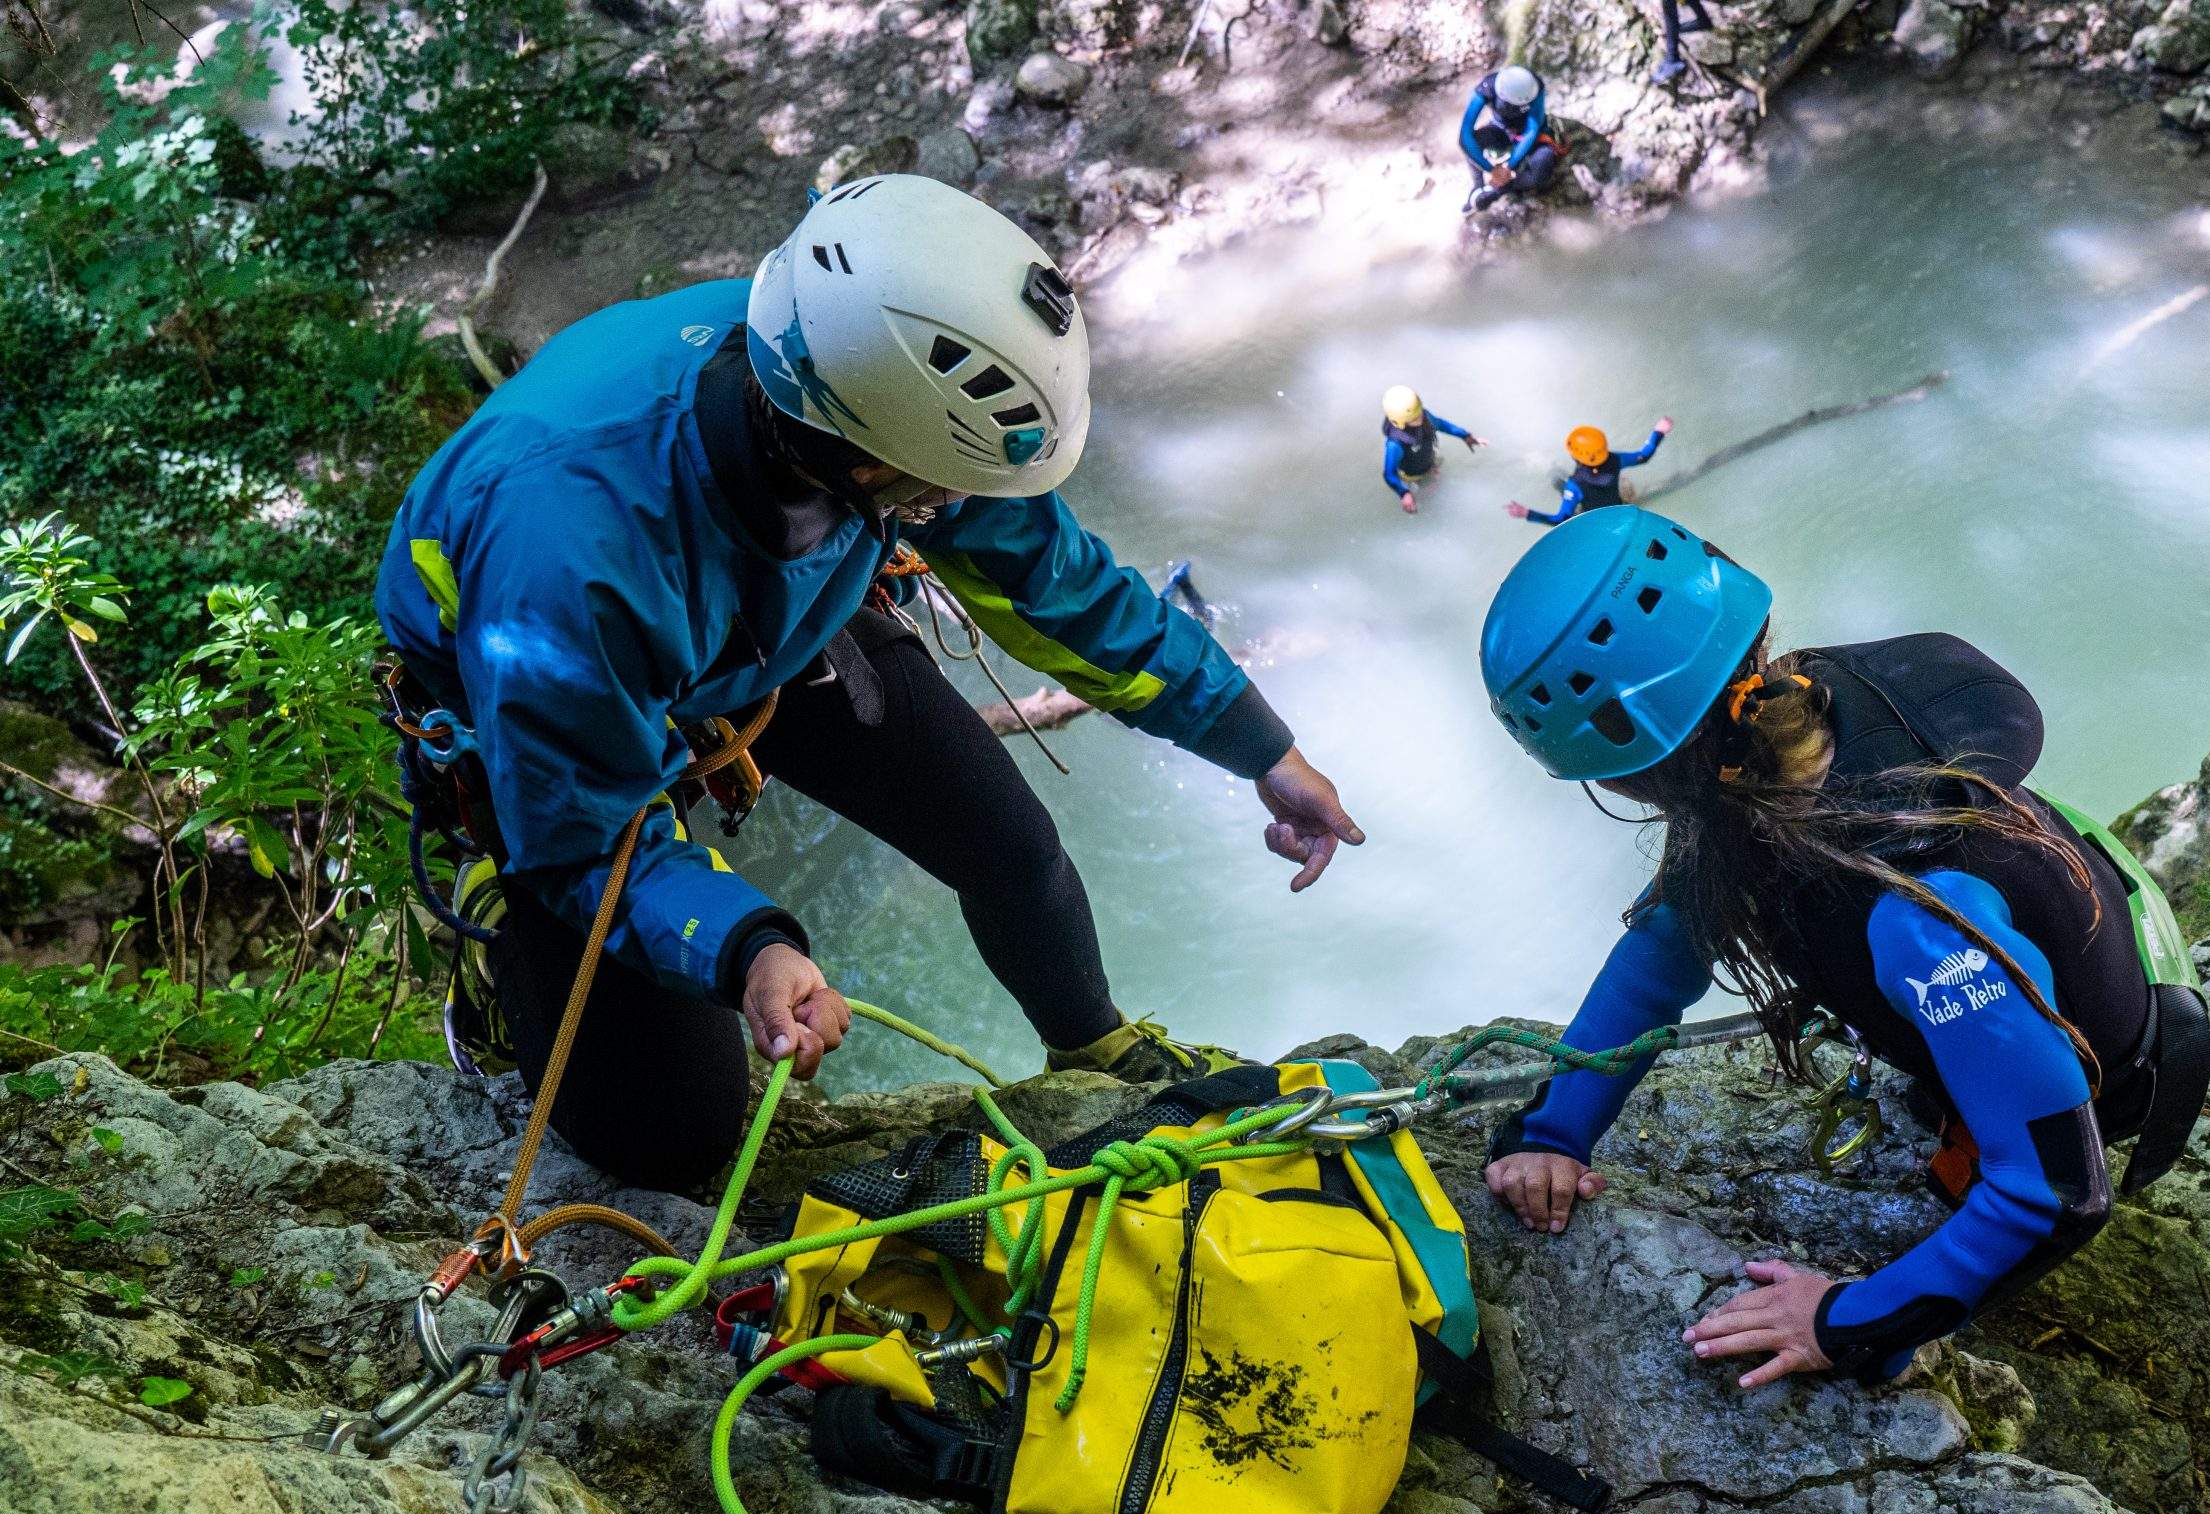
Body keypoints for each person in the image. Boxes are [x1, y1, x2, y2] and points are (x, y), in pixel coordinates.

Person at [377, 175, 1365, 1193]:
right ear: (850, 456)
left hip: (774, 607)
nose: (953, 509)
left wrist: (1259, 746)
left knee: (1010, 847)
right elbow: (584, 829)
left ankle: (1095, 1054)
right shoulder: (569, 557)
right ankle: (515, 955)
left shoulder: (852, 389)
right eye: (934, 492)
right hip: (554, 692)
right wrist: (752, 946)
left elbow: (1059, 591)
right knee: (667, 1139)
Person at [1473, 507, 2210, 1388]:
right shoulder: (1777, 728)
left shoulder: (1924, 923)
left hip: (2107, 1077)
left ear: (1632, 768)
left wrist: (1844, 1322)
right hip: (2070, 969)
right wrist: (1553, 1134)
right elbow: (1664, 948)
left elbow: (2055, 1192)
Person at [1505, 418, 1672, 526]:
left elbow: (1561, 519)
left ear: (1575, 455)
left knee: (1558, 482)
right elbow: (1643, 456)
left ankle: (1552, 470)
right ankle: (1553, 470)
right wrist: (1658, 432)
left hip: (1594, 519)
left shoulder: (1574, 485)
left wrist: (1528, 513)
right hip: (1619, 507)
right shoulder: (1615, 460)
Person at [1460, 64, 1567, 214]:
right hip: (1501, 131)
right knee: (1475, 142)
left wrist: (1509, 166)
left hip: (1532, 136)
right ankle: (1478, 186)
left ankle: (1500, 189)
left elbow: (1531, 131)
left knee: (1543, 164)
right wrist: (1490, 169)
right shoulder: (1487, 87)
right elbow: (1465, 136)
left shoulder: (1533, 86)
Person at [1381, 385, 1484, 514]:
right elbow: (1389, 473)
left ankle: (1432, 474)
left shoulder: (1422, 416)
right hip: (1412, 476)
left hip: (1429, 462)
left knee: (1436, 480)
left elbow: (1440, 424)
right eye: (1414, 417)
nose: (1421, 417)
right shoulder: (1395, 444)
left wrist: (1465, 436)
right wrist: (1404, 493)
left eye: (1419, 412)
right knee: (1428, 497)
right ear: (1399, 422)